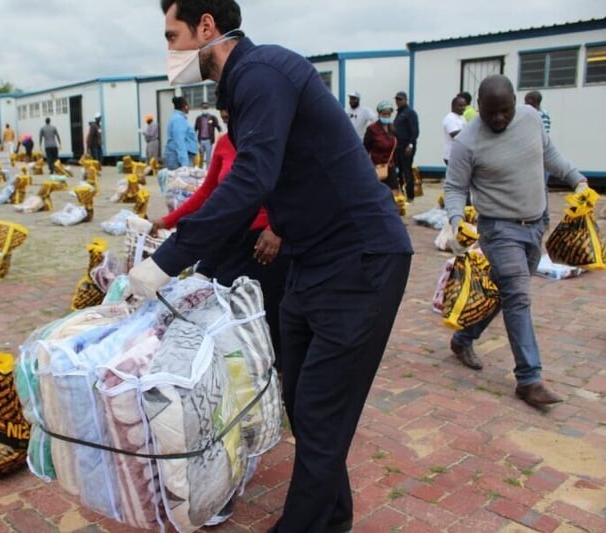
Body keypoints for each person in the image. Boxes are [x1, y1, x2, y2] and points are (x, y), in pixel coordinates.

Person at [130, 2, 413, 531]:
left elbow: (251, 178)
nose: (169, 49)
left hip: (359, 258)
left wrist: (167, 262)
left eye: (173, 35)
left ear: (206, 27)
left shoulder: (263, 73)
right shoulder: (243, 87)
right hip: (311, 259)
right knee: (303, 405)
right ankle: (332, 520)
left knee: (323, 416)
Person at [444, 74, 588, 410]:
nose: (498, 118)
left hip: (538, 223)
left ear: (515, 103)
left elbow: (548, 152)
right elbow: (453, 187)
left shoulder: (531, 119)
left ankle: (462, 339)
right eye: (491, 112)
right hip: (499, 230)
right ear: (478, 106)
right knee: (519, 295)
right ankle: (529, 379)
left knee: (504, 293)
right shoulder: (468, 141)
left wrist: (576, 177)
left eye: (505, 111)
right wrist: (456, 222)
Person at [151, 106, 287, 361]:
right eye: (224, 119)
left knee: (266, 310)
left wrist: (275, 229)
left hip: (265, 243)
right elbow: (207, 193)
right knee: (214, 299)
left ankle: (273, 370)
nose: (230, 124)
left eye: (233, 116)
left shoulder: (272, 141)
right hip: (230, 235)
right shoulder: (223, 144)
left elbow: (293, 190)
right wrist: (168, 220)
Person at [524, 90, 552, 227]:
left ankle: (542, 218)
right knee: (542, 188)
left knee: (539, 188)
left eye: (527, 100)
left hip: (536, 157)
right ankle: (544, 218)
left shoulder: (534, 115)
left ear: (534, 101)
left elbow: (537, 138)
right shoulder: (545, 114)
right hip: (542, 156)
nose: (525, 103)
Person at [363, 101, 400, 196]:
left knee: (395, 193)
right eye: (384, 114)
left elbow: (396, 148)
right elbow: (365, 149)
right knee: (378, 193)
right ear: (379, 114)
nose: (387, 116)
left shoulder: (393, 129)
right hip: (377, 167)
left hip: (390, 166)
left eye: (389, 114)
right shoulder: (372, 129)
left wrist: (397, 166)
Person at [393, 90, 420, 202]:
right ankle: (401, 194)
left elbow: (415, 131)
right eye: (397, 99)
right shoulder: (399, 113)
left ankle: (410, 196)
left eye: (400, 99)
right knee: (399, 171)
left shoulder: (410, 113)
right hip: (398, 146)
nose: (398, 101)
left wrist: (410, 145)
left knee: (406, 171)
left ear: (405, 100)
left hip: (406, 146)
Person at [163, 95, 197, 169]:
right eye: (188, 104)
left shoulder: (178, 118)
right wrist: (185, 164)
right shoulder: (178, 120)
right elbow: (180, 142)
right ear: (185, 106)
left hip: (176, 156)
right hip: (177, 158)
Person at [194, 101, 222, 167]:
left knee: (208, 158)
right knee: (200, 157)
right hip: (201, 140)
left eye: (206, 108)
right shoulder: (198, 118)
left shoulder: (212, 118)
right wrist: (193, 140)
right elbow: (195, 129)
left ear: (208, 108)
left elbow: (217, 126)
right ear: (201, 108)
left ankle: (208, 172)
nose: (205, 109)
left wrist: (220, 133)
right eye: (203, 108)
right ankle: (199, 171)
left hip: (209, 140)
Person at [442, 95, 467, 165]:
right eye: (460, 106)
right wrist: (469, 130)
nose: (463, 108)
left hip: (460, 155)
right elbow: (455, 135)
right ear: (453, 106)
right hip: (451, 155)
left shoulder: (462, 118)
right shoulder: (450, 118)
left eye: (464, 106)